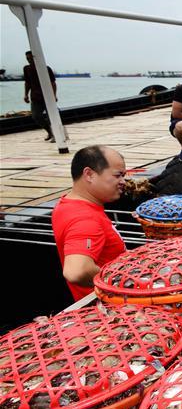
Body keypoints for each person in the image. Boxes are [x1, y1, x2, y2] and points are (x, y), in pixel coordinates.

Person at [51, 145, 127, 301]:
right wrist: (124, 281)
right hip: (113, 306)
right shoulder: (85, 219)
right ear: (89, 174)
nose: (123, 182)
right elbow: (76, 271)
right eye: (118, 175)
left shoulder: (67, 203)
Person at [23, 50, 57, 141]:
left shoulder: (46, 68)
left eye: (31, 58)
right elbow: (27, 83)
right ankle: (50, 132)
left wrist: (54, 95)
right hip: (35, 97)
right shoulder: (26, 69)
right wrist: (25, 95)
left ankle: (55, 135)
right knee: (36, 116)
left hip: (48, 97)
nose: (29, 60)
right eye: (27, 58)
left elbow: (53, 83)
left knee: (51, 117)